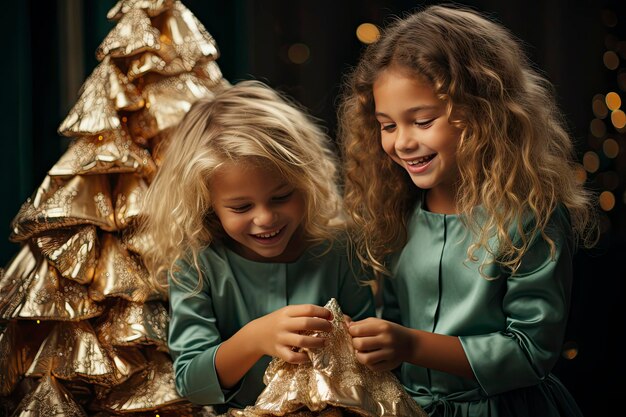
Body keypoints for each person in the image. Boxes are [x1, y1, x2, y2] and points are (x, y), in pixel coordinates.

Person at [337, 4, 597, 417]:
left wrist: (409, 345)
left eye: (421, 121)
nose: (401, 142)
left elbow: (532, 353)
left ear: (484, 112)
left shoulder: (530, 216)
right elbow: (393, 319)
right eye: (388, 125)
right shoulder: (397, 212)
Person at [140, 80, 376, 413]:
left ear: (306, 182)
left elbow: (375, 361)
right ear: (207, 204)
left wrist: (356, 345)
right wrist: (254, 339)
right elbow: (193, 384)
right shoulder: (196, 265)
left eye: (281, 197)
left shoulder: (338, 249)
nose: (265, 218)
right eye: (241, 207)